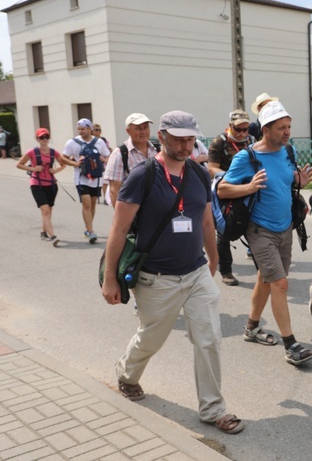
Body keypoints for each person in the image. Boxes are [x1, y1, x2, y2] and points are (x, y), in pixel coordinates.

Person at [101, 110, 244, 435]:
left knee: (209, 339)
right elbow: (119, 229)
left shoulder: (197, 173)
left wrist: (213, 260)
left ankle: (213, 409)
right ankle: (127, 373)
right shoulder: (143, 175)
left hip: (195, 274)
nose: (185, 144)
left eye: (190, 138)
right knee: (152, 337)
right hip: (155, 278)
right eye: (178, 138)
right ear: (162, 136)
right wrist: (110, 278)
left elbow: (206, 220)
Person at [218, 101, 312, 366]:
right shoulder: (247, 158)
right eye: (281, 128)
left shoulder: (288, 151)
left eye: (289, 127)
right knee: (280, 284)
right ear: (266, 128)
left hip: (285, 227)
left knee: (266, 279)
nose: (287, 132)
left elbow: (286, 180)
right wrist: (249, 187)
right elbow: (222, 190)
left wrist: (299, 181)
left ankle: (251, 327)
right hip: (259, 229)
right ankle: (291, 345)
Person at [207, 109, 255, 286]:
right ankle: (226, 271)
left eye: (245, 129)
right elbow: (211, 168)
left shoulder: (251, 141)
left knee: (253, 226)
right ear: (230, 127)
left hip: (247, 189)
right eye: (238, 129)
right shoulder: (219, 142)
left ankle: (263, 270)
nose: (242, 133)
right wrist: (231, 177)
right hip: (225, 190)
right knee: (223, 231)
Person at [61, 118, 110, 243]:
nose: (80, 131)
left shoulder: (99, 142)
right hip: (80, 177)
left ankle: (87, 228)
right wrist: (75, 163)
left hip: (96, 177)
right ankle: (91, 231)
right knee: (86, 203)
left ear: (90, 128)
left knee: (93, 203)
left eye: (83, 128)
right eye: (79, 129)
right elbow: (63, 158)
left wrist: (104, 160)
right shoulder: (72, 143)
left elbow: (108, 154)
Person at [16, 128, 66, 246]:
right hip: (37, 184)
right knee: (45, 210)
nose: (44, 140)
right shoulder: (32, 152)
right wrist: (33, 169)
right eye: (41, 137)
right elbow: (19, 164)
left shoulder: (54, 152)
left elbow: (64, 164)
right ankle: (53, 236)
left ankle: (43, 232)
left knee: (48, 211)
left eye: (46, 137)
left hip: (51, 185)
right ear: (37, 139)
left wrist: (55, 170)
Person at [103, 113, 157, 209]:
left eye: (145, 127)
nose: (143, 132)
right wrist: (121, 218)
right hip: (133, 210)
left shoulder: (157, 150)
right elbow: (114, 190)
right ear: (128, 131)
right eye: (138, 128)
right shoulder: (119, 154)